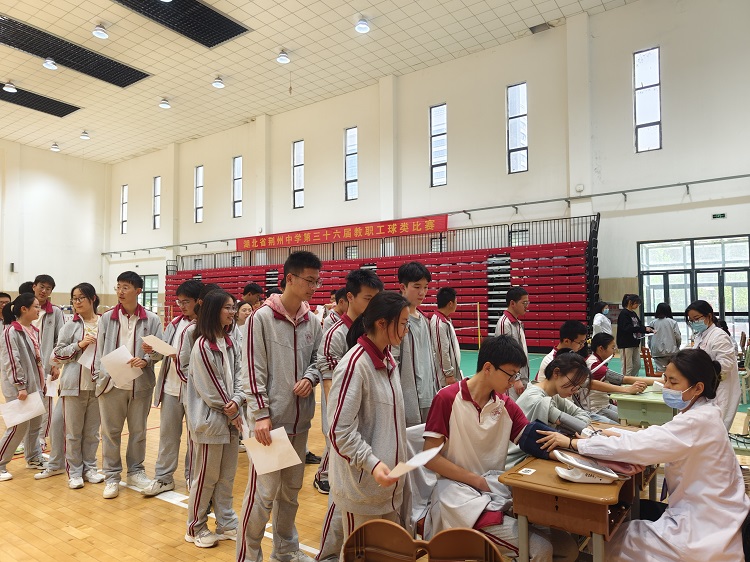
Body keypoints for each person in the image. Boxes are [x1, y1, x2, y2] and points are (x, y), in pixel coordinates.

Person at [539, 349, 750, 562]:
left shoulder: (695, 422)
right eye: (665, 379)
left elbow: (641, 445)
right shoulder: (706, 413)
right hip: (719, 514)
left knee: (611, 543)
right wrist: (614, 434)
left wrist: (574, 443)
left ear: (698, 388)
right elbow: (656, 437)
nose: (666, 387)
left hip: (704, 530)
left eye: (673, 382)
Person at [422, 335, 578, 562]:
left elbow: (534, 439)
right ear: (488, 368)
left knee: (568, 549)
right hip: (458, 497)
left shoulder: (504, 404)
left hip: (493, 492)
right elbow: (430, 458)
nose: (514, 381)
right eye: (510, 374)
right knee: (541, 549)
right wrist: (478, 481)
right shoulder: (447, 398)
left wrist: (576, 449)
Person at [238, 251, 323, 562]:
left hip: (299, 424)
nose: (314, 286)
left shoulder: (313, 321)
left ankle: (285, 550)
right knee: (263, 496)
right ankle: (249, 556)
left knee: (290, 493)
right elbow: (252, 369)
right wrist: (261, 414)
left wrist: (311, 377)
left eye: (317, 281)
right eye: (309, 280)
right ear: (290, 278)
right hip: (270, 426)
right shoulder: (261, 319)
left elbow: (319, 359)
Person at [328, 291, 410, 548]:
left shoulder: (388, 359)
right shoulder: (354, 365)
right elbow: (339, 432)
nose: (406, 330)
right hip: (363, 490)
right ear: (382, 323)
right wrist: (372, 464)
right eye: (403, 323)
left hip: (388, 488)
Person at [316, 268, 383, 561]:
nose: (372, 304)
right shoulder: (335, 335)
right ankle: (328, 553)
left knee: (354, 491)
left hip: (368, 420)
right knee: (341, 492)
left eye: (376, 299)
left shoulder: (374, 329)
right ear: (350, 297)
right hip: (343, 425)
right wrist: (340, 425)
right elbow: (331, 384)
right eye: (368, 298)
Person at [93, 271, 164, 499]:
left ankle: (135, 471)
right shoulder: (106, 318)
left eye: (126, 287)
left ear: (138, 291)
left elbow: (160, 352)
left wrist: (147, 359)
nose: (120, 291)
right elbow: (99, 351)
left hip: (140, 385)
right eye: (118, 287)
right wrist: (100, 377)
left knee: (138, 431)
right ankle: (112, 476)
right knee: (110, 433)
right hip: (111, 384)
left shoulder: (152, 319)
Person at [184, 290, 246, 548]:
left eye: (233, 307)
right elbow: (211, 389)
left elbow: (240, 375)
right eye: (228, 308)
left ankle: (226, 522)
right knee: (205, 478)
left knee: (226, 476)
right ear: (213, 311)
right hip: (211, 423)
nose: (233, 312)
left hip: (230, 419)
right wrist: (233, 411)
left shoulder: (230, 342)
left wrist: (239, 400)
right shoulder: (202, 346)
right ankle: (195, 527)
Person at [142, 279, 203, 497]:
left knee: (195, 438)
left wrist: (181, 357)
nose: (182, 306)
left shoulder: (205, 326)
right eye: (179, 302)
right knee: (168, 437)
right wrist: (152, 350)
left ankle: (193, 478)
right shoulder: (175, 324)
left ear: (199, 301)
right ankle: (163, 478)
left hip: (195, 391)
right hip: (170, 388)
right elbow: (161, 354)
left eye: (186, 302)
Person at [52, 283, 106, 489]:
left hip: (98, 386)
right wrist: (79, 345)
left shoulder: (104, 323)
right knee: (73, 433)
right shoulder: (70, 325)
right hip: (73, 386)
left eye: (81, 297)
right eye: (74, 298)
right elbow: (58, 354)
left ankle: (90, 468)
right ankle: (74, 472)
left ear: (93, 298)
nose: (77, 302)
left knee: (92, 433)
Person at [0, 294, 46, 481]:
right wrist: (20, 385)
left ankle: (33, 457)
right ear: (24, 309)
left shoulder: (33, 329)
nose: (39, 309)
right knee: (18, 427)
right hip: (20, 388)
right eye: (35, 306)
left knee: (35, 424)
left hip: (35, 385)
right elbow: (11, 360)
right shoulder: (11, 331)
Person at [395, 261, 441, 426]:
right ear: (403, 287)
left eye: (426, 287)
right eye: (417, 287)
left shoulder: (424, 320)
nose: (422, 292)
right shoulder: (396, 321)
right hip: (409, 398)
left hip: (429, 393)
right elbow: (393, 361)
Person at [685, 300, 741, 430]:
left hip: (720, 390)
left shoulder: (719, 336)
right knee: (706, 429)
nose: (694, 323)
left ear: (709, 316)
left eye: (696, 319)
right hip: (707, 388)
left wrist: (702, 368)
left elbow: (725, 365)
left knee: (716, 429)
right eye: (691, 321)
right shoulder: (701, 336)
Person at [31, 274, 66, 479]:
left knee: (46, 403)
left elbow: (58, 340)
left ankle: (41, 439)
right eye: (41, 287)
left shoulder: (56, 313)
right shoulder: (25, 307)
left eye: (48, 288)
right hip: (27, 366)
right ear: (34, 287)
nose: (44, 291)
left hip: (46, 365)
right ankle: (27, 440)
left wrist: (55, 364)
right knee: (25, 403)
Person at [579, 333, 653, 422]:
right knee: (628, 422)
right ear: (601, 348)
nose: (614, 351)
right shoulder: (596, 366)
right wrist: (660, 381)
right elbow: (625, 379)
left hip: (604, 405)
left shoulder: (593, 360)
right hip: (596, 410)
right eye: (612, 348)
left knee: (631, 418)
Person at [494, 286, 530, 398]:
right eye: (524, 303)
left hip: (520, 378)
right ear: (512, 303)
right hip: (511, 381)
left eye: (527, 303)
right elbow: (506, 355)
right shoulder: (505, 324)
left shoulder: (518, 323)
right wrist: (516, 378)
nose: (526, 306)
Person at [430, 287, 463, 387]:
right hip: (445, 377)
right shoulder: (438, 323)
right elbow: (442, 350)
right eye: (456, 302)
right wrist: (448, 374)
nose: (457, 304)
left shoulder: (446, 320)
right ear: (450, 304)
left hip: (452, 371)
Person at [616, 294, 653, 378]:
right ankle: (625, 381)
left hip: (635, 342)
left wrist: (648, 329)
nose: (637, 305)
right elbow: (627, 328)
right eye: (636, 303)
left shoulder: (633, 314)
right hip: (626, 343)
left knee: (637, 365)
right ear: (630, 302)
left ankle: (630, 379)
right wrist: (643, 329)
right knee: (627, 367)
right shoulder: (624, 313)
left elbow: (639, 326)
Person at [649, 303, 681, 371]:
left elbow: (650, 339)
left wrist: (651, 348)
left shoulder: (652, 323)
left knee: (660, 371)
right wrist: (677, 346)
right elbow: (678, 337)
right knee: (673, 370)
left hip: (657, 352)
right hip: (671, 351)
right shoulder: (673, 322)